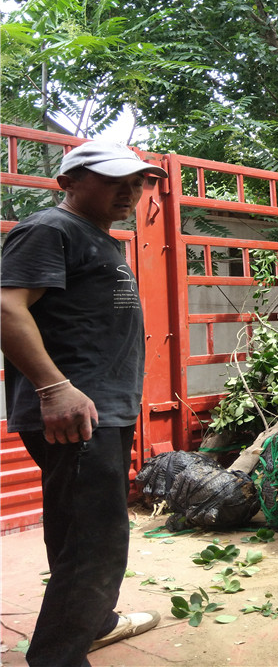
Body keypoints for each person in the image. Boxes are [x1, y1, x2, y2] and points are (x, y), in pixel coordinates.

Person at [0, 141, 168, 667]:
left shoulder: (98, 239)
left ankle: (94, 622)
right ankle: (57, 657)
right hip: (74, 411)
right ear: (67, 182)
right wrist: (54, 388)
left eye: (138, 182)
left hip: (98, 411)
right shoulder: (52, 228)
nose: (129, 190)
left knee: (78, 531)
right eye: (112, 179)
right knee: (97, 541)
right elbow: (7, 306)